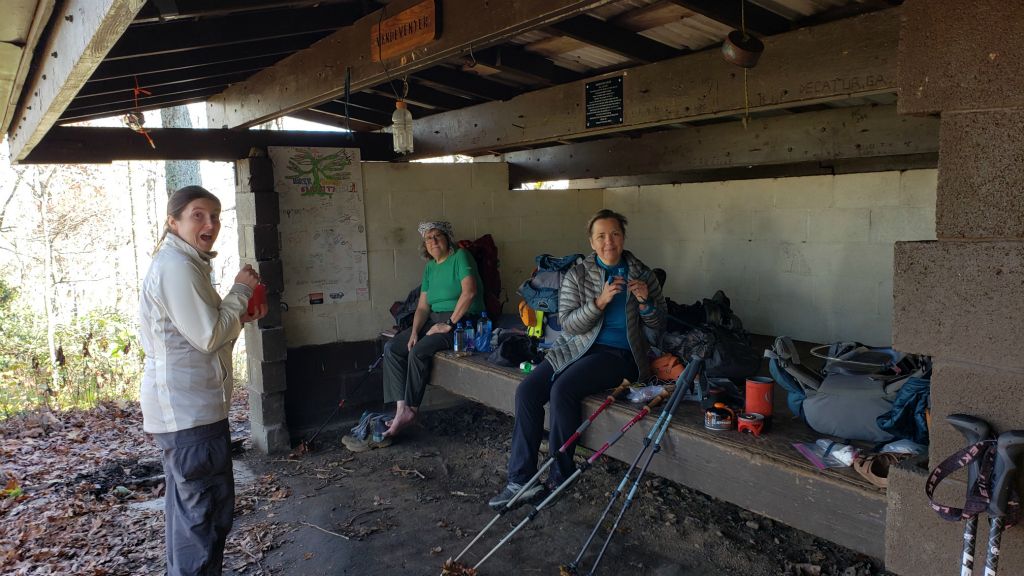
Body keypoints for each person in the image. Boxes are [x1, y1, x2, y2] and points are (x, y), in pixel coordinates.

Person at [489, 209, 666, 510]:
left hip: (620, 355)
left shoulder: (643, 274)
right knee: (528, 391)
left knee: (563, 390)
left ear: (623, 237)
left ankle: (560, 475)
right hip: (575, 349)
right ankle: (520, 480)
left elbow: (658, 327)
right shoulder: (579, 274)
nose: (608, 241)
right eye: (601, 236)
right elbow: (569, 324)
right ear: (592, 242)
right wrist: (599, 302)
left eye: (615, 234)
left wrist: (646, 302)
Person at [139, 185, 268, 576]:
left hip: (188, 411)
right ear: (173, 221)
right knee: (206, 517)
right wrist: (240, 291)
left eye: (215, 215)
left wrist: (238, 314)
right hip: (190, 412)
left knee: (190, 516)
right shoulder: (177, 267)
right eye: (198, 214)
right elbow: (209, 335)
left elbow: (202, 333)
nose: (210, 223)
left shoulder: (186, 263)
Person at [345, 220, 485, 450]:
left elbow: (469, 293)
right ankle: (401, 409)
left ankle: (412, 409)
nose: (433, 242)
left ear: (447, 238)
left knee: (419, 352)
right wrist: (415, 332)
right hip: (434, 319)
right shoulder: (430, 267)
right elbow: (422, 307)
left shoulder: (461, 257)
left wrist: (449, 324)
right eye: (428, 239)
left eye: (437, 236)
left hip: (463, 321)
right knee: (393, 348)